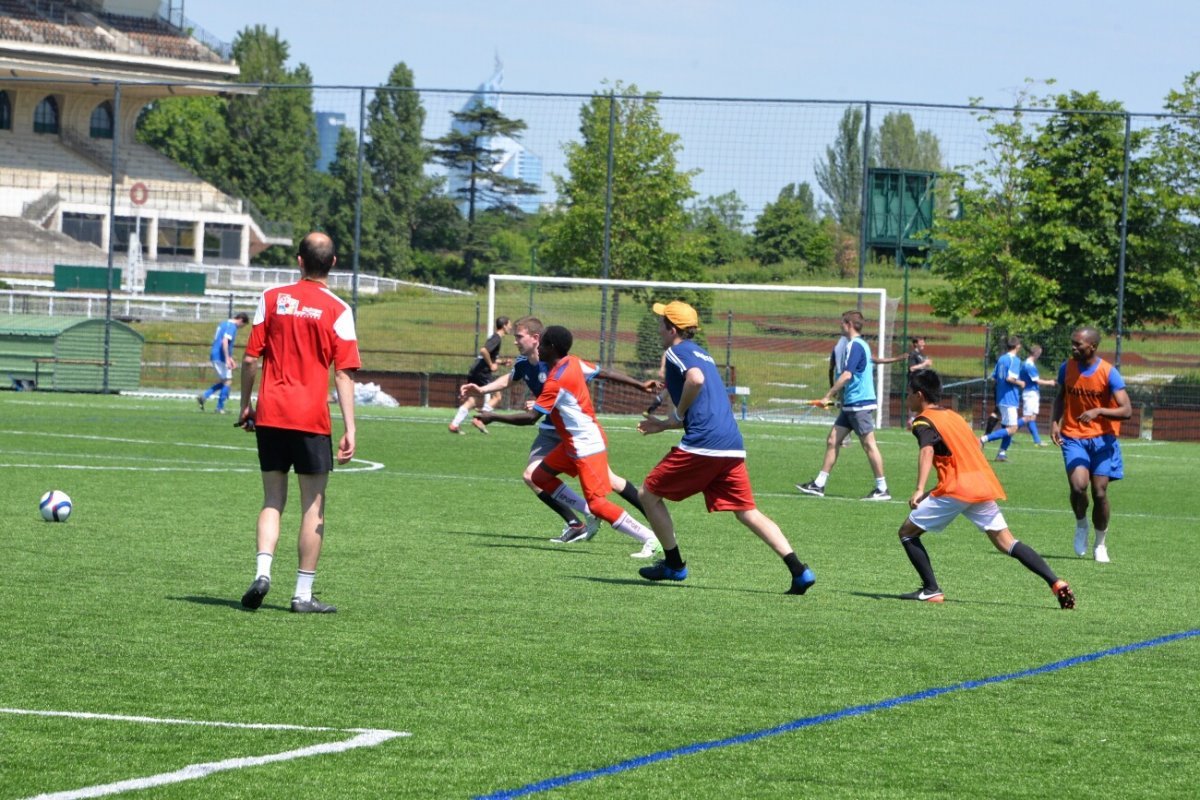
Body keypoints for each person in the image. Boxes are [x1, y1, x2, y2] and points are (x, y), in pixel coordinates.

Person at [636, 301, 815, 593]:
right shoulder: (702, 353)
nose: (658, 328)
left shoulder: (675, 352)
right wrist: (665, 424)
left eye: (661, 323)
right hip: (731, 445)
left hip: (705, 445)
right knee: (747, 511)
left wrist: (676, 416)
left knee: (649, 494)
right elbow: (701, 407)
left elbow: (695, 382)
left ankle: (674, 565)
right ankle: (799, 570)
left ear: (671, 329)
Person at [237, 232, 361, 614]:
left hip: (271, 413)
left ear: (299, 261)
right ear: (334, 263)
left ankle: (263, 573)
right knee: (313, 505)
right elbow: (344, 374)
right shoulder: (339, 309)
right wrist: (351, 428)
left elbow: (249, 360)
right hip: (311, 419)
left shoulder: (271, 298)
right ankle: (302, 595)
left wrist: (246, 405)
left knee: (273, 499)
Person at [463, 316, 658, 546]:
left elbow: (596, 375)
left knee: (607, 485)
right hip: (554, 430)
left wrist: (498, 415)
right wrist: (483, 389)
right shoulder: (526, 362)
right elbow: (512, 379)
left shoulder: (559, 367)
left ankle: (653, 529)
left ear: (537, 340)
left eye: (519, 336)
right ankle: (579, 522)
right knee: (534, 476)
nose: (515, 341)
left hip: (579, 435)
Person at [895, 369, 1075, 609]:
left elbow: (927, 450)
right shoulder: (954, 416)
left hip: (957, 489)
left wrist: (919, 489)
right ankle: (1056, 582)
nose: (907, 399)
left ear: (919, 395)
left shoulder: (923, 421)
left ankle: (931, 590)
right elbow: (965, 454)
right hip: (979, 484)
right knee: (1007, 543)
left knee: (907, 532)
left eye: (908, 394)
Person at [1050, 327, 1132, 563]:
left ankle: (1100, 544)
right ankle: (1081, 524)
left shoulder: (1109, 373)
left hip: (1102, 439)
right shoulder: (1067, 368)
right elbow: (1059, 396)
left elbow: (1126, 410)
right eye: (1072, 343)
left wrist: (1099, 411)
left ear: (1092, 347)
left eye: (1078, 344)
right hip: (1073, 436)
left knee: (1099, 492)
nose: (1073, 348)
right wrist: (1055, 423)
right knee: (1078, 487)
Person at [797, 310, 897, 500]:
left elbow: (847, 375)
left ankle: (882, 489)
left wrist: (828, 395)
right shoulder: (860, 345)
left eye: (842, 323)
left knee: (869, 445)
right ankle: (818, 484)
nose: (840, 326)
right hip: (851, 403)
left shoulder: (855, 346)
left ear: (849, 324)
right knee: (833, 440)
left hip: (859, 404)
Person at [450, 316, 512, 434]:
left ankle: (454, 424)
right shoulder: (497, 338)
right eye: (509, 324)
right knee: (497, 397)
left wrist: (502, 362)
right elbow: (484, 351)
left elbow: (489, 356)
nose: (511, 327)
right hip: (482, 372)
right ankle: (480, 419)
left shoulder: (495, 338)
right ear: (504, 325)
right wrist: (491, 365)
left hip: (476, 370)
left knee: (472, 400)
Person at [980, 336, 1024, 462]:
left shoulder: (1001, 359)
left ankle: (1002, 454)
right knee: (1012, 428)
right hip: (1010, 398)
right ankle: (983, 439)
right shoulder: (1015, 360)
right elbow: (1010, 378)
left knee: (1007, 427)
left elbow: (994, 377)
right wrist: (1021, 383)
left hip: (1001, 397)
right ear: (1017, 346)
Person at [197, 312, 249, 414]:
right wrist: (226, 359)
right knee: (228, 381)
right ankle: (219, 407)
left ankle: (205, 396)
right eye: (243, 326)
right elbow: (224, 342)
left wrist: (230, 357)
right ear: (241, 320)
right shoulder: (232, 326)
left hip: (216, 354)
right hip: (220, 356)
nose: (241, 328)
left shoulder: (223, 324)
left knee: (224, 381)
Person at [1017, 344, 1056, 446]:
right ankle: (1008, 431)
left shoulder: (1026, 364)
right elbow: (1037, 380)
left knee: (1032, 417)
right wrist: (1050, 382)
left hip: (1032, 393)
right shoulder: (1029, 365)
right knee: (1027, 417)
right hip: (1030, 393)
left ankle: (1037, 441)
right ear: (1036, 353)